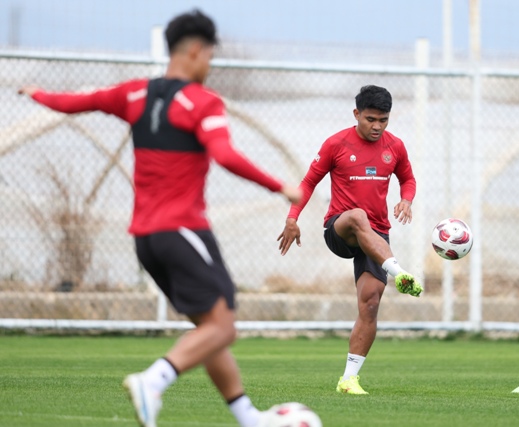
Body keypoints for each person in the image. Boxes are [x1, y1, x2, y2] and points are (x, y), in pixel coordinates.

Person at [19, 9, 301, 427]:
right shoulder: (203, 102)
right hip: (183, 230)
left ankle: (249, 418)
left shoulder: (134, 94)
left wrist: (37, 93)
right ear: (194, 50)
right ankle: (153, 381)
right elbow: (224, 155)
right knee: (224, 328)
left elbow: (76, 102)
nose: (210, 65)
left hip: (147, 239)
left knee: (209, 330)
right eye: (209, 56)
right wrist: (281, 187)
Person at [277, 85, 422, 395]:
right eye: (371, 119)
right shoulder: (336, 144)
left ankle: (349, 379)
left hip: (376, 236)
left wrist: (406, 200)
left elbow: (407, 179)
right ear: (356, 114)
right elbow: (308, 182)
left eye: (383, 120)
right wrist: (292, 218)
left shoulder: (394, 146)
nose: (377, 126)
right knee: (357, 216)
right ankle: (400, 273)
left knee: (370, 304)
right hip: (340, 228)